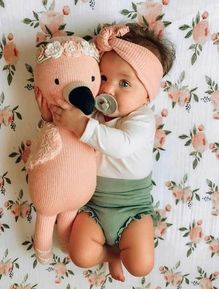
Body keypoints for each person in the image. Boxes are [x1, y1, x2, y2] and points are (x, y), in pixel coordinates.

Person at [37, 23, 175, 282]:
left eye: (124, 83)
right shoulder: (94, 114)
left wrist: (80, 125)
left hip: (132, 207)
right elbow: (70, 137)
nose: (108, 90)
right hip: (94, 205)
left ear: (147, 96)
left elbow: (120, 144)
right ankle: (109, 256)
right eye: (103, 78)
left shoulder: (141, 120)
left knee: (141, 265)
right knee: (81, 255)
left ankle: (123, 253)